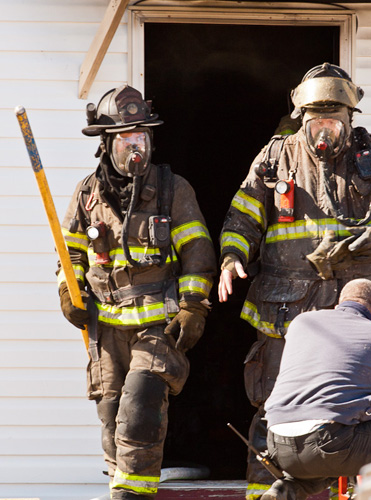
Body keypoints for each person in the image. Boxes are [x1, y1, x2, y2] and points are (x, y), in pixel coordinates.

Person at [218, 62, 371, 499]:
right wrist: (232, 257)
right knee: (275, 407)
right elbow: (243, 217)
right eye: (315, 123)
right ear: (302, 119)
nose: (323, 132)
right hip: (284, 311)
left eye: (333, 123)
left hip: (353, 308)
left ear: (349, 120)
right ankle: (264, 495)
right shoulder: (275, 158)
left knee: (358, 410)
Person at [57, 85, 217, 500]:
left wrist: (193, 306)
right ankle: (122, 486)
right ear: (106, 145)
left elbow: (198, 252)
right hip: (107, 327)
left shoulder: (173, 190)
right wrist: (69, 293)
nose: (135, 149)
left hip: (157, 323)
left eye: (141, 139)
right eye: (126, 141)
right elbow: (69, 253)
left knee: (140, 407)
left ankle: (133, 495)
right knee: (111, 414)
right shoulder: (86, 196)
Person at [261, 278, 371, 500]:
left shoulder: (301, 323)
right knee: (348, 443)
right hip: (332, 441)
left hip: (278, 444)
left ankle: (287, 489)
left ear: (338, 305)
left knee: (332, 449)